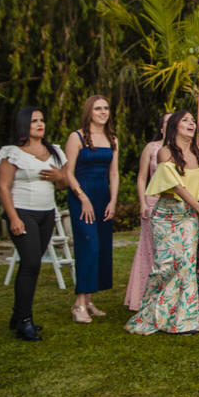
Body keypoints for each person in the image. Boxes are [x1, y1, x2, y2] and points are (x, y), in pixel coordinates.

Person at [126, 111, 199, 335]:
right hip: (166, 215)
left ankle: (186, 321)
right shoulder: (165, 152)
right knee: (165, 267)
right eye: (185, 120)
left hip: (188, 216)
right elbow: (177, 186)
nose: (191, 124)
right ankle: (153, 314)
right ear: (174, 126)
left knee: (186, 266)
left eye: (193, 121)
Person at [0, 106, 67, 341]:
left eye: (42, 120)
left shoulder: (54, 151)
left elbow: (64, 184)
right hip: (23, 211)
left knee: (32, 265)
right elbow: (3, 187)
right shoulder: (13, 153)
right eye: (34, 120)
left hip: (46, 213)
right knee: (31, 263)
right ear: (24, 125)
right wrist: (13, 217)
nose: (39, 124)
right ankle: (25, 322)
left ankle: (18, 315)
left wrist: (59, 178)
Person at [63, 95, 119, 324]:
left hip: (103, 195)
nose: (103, 112)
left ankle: (89, 299)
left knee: (102, 247)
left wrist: (113, 200)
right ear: (89, 112)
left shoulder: (113, 138)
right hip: (81, 194)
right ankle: (78, 304)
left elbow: (114, 173)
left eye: (106, 108)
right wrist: (82, 197)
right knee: (89, 246)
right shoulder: (76, 137)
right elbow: (68, 172)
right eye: (98, 108)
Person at [125, 112, 170, 311]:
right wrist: (142, 202)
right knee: (149, 249)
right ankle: (142, 297)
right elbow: (142, 177)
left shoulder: (181, 150)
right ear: (161, 128)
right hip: (153, 201)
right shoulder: (152, 148)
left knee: (168, 251)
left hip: (175, 204)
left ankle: (166, 297)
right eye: (167, 123)